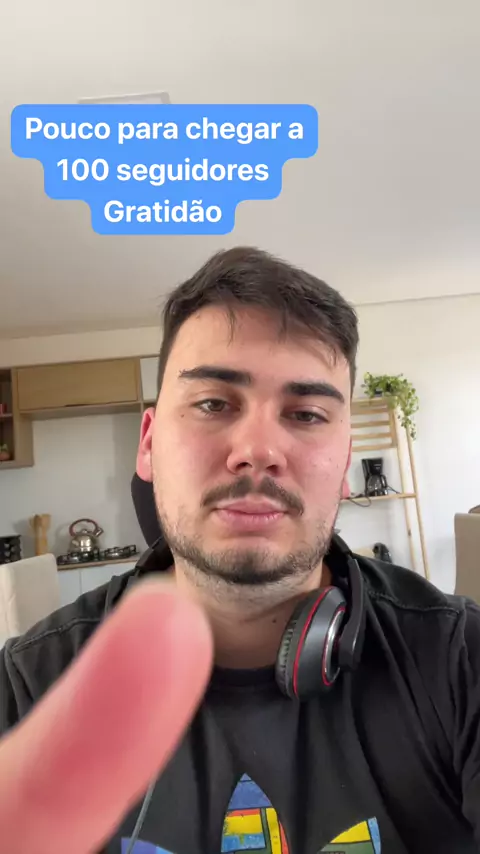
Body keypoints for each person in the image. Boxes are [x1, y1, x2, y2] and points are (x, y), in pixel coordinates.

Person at [1, 246, 480, 853]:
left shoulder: (460, 660)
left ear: (344, 464)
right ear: (148, 444)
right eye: (213, 403)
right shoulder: (30, 686)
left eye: (306, 414)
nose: (258, 450)